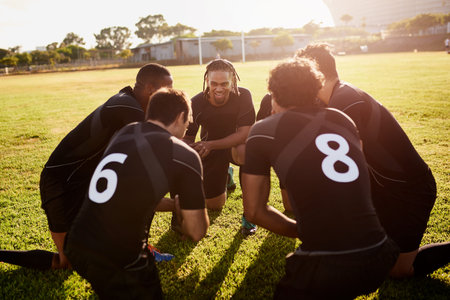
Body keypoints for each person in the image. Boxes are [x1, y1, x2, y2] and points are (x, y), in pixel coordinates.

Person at [242, 58, 399, 299]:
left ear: (273, 94)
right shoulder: (341, 118)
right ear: (316, 89)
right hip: (381, 252)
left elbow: (253, 212)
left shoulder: (264, 130)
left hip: (325, 264)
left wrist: (304, 230)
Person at [295, 43, 450, 278]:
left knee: (399, 271)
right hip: (383, 190)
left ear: (315, 73)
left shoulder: (345, 100)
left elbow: (347, 166)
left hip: (410, 191)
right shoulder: (332, 100)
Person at [0, 63, 173, 270]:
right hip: (60, 183)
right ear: (151, 90)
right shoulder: (125, 105)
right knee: (68, 262)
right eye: (168, 90)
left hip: (89, 183)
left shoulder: (133, 105)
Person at [64, 88, 209, 299]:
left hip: (77, 243)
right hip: (119, 256)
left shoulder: (127, 131)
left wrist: (171, 204)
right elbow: (196, 231)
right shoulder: (183, 154)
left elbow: (126, 191)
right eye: (189, 121)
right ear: (180, 117)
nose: (188, 126)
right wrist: (185, 212)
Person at [183, 58, 257, 234]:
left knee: (244, 152)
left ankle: (249, 216)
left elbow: (245, 133)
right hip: (211, 152)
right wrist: (194, 150)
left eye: (224, 83)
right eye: (214, 83)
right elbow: (187, 138)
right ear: (207, 80)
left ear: (232, 81)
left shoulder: (243, 95)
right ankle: (227, 176)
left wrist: (211, 144)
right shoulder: (197, 102)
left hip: (233, 146)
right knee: (214, 205)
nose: (218, 88)